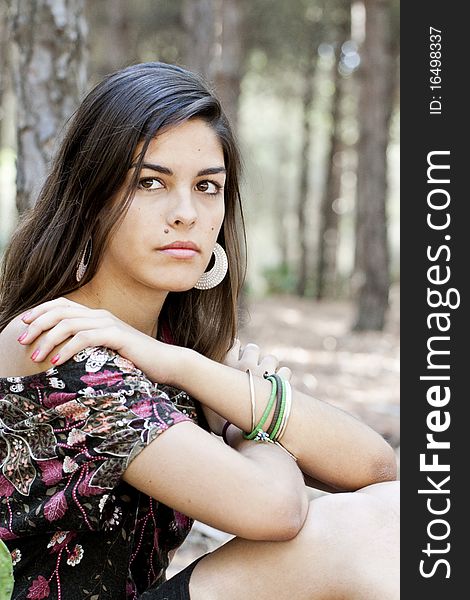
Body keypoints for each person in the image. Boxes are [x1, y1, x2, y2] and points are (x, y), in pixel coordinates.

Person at [0, 61, 399, 600]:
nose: (186, 213)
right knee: (357, 534)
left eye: (207, 186)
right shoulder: (55, 340)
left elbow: (375, 468)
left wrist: (188, 367)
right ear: (90, 197)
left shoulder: (162, 344)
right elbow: (275, 508)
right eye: (150, 182)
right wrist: (245, 424)